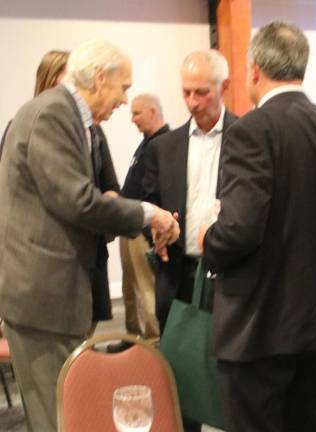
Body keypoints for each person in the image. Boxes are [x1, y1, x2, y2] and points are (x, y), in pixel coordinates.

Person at [0, 39, 179, 432]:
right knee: (55, 417)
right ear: (100, 78)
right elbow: (78, 202)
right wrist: (149, 213)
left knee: (67, 412)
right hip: (42, 299)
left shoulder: (72, 119)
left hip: (58, 295)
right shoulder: (51, 115)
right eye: (123, 87)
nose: (123, 99)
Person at [200, 21, 316, 432]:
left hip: (257, 330)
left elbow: (240, 229)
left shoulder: (251, 130)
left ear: (254, 70)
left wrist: (209, 238)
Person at [142, 49, 237, 432]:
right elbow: (148, 204)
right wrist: (156, 228)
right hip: (179, 273)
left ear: (223, 87)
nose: (193, 102)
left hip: (232, 278)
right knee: (180, 378)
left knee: (230, 376)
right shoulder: (164, 147)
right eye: (186, 92)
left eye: (202, 92)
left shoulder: (249, 137)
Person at [0, 50, 120, 332]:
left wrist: (108, 204)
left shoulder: (94, 132)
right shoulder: (25, 126)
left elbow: (111, 187)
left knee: (83, 354)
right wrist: (142, 215)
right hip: (46, 272)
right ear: (49, 82)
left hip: (89, 256)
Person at [111, 94, 169, 349]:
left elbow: (156, 191)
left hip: (143, 228)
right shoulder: (146, 143)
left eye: (137, 113)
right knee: (131, 286)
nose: (132, 119)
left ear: (153, 111)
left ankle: (152, 343)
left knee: (146, 288)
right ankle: (134, 338)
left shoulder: (165, 143)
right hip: (129, 224)